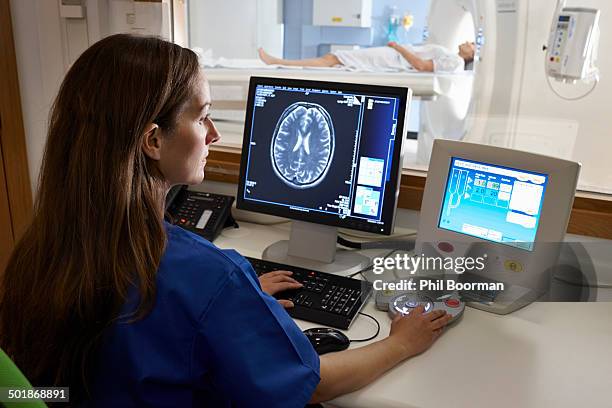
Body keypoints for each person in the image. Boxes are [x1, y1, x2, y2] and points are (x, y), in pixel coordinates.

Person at [0, 34, 453, 407]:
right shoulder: (205, 276)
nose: (214, 134)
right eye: (203, 117)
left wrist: (237, 304)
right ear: (153, 140)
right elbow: (314, 385)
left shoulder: (37, 253)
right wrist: (401, 343)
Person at [259, 41, 476, 73]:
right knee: (335, 58)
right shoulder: (452, 55)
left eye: (473, 45)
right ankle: (279, 62)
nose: (469, 42)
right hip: (392, 56)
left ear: (471, 56)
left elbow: (421, 65)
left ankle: (278, 61)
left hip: (392, 59)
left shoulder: (455, 62)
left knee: (335, 58)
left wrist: (398, 46)